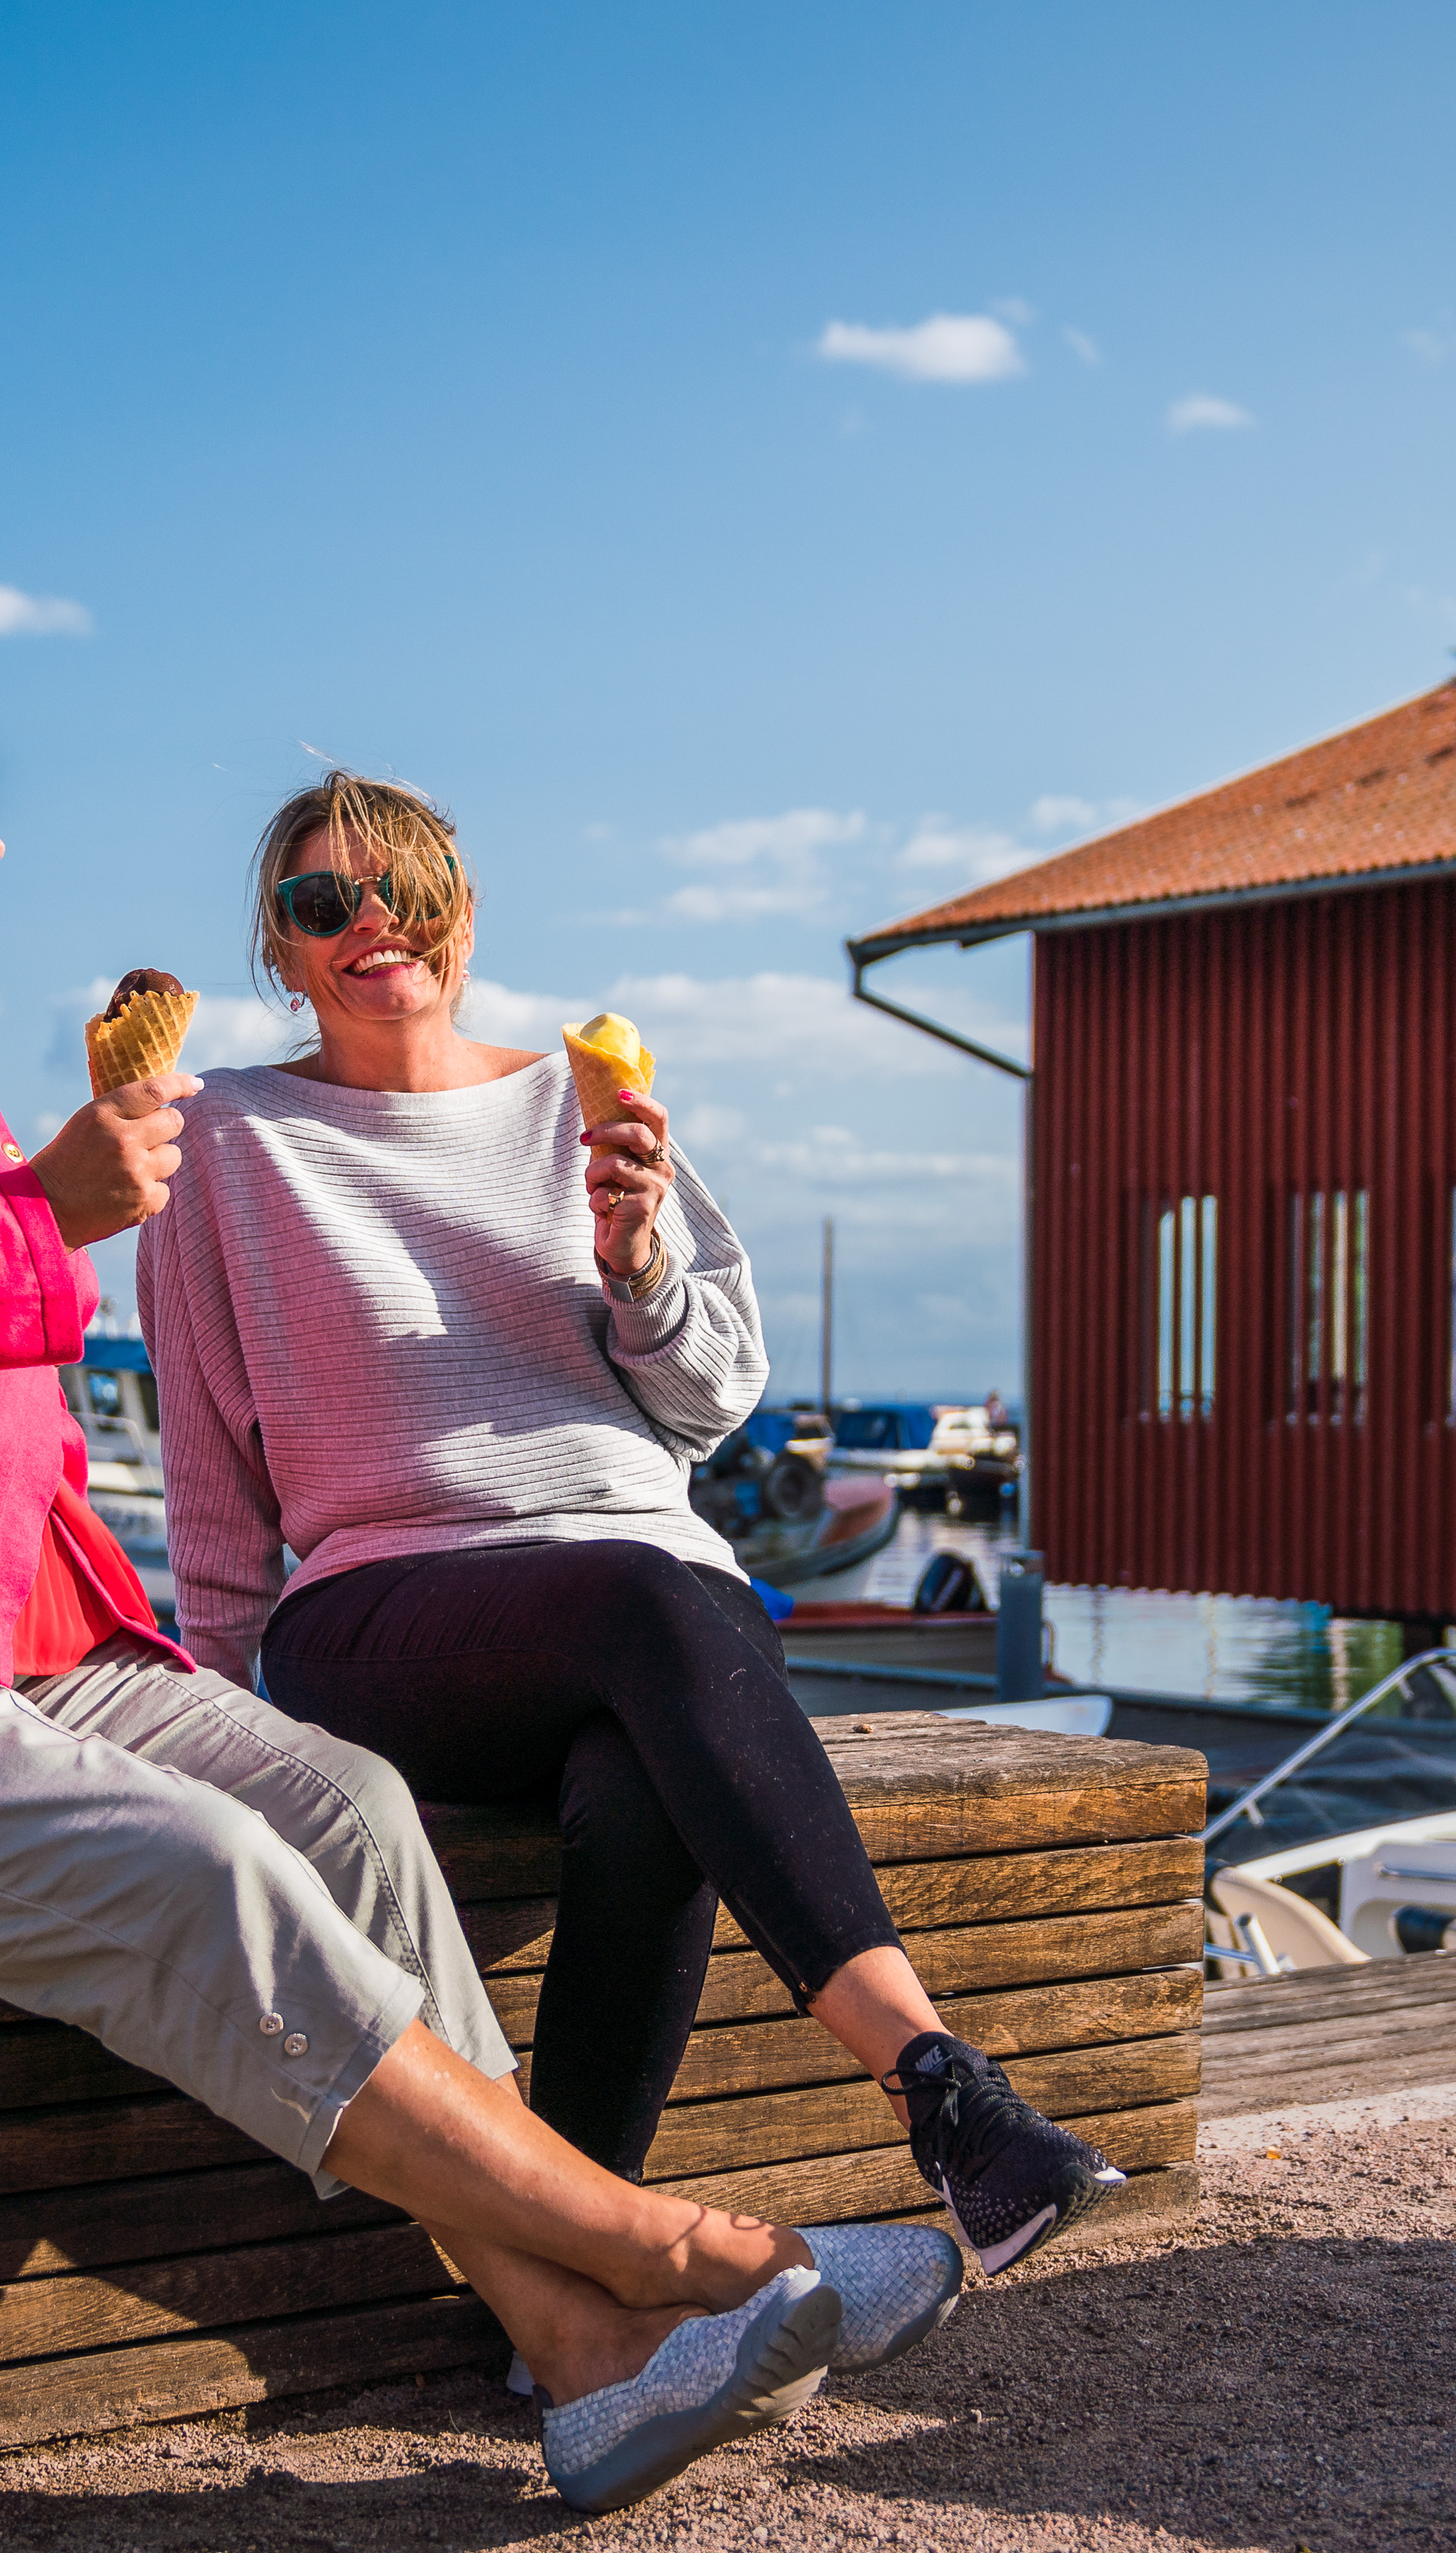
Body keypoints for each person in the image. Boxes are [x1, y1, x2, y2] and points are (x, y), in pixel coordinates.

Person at [0, 643, 955, 2515]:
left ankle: (576, 2359)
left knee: (340, 1808)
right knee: (210, 1874)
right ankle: (667, 2264)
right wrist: (44, 1215)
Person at [140, 770, 1125, 2277]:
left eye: (403, 892)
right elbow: (208, 1485)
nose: (370, 926)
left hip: (640, 1600)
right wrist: (219, 1736)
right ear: (275, 950)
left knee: (650, 1765)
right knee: (651, 1601)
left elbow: (717, 1396)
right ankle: (943, 2093)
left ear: (462, 916)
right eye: (320, 902)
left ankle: (571, 2279)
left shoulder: (575, 1104)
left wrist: (638, 1261)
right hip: (386, 1618)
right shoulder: (219, 1144)